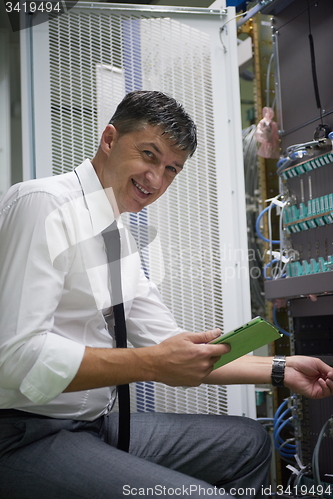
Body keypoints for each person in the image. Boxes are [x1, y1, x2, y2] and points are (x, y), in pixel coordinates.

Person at [0, 90, 332, 499]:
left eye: (172, 168)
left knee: (247, 444)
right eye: (149, 155)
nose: (156, 179)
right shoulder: (42, 205)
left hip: (91, 424)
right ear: (109, 139)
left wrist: (282, 368)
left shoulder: (115, 233)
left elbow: (166, 346)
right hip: (21, 433)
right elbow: (16, 360)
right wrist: (149, 364)